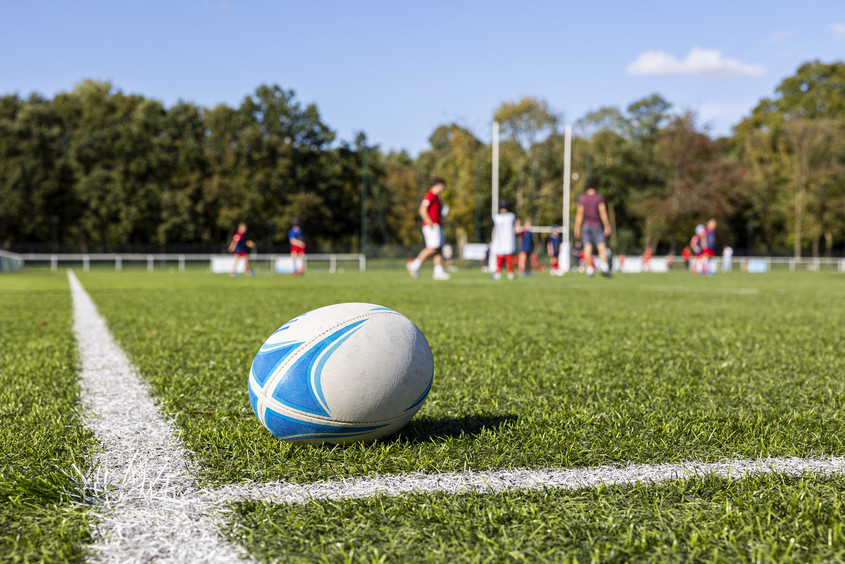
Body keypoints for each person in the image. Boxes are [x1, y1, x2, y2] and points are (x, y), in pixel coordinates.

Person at [407, 178, 450, 280]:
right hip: (431, 226)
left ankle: (438, 272)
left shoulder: (436, 197)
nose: (443, 188)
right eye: (443, 186)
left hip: (437, 225)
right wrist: (429, 221)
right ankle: (414, 265)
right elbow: (422, 210)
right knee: (432, 248)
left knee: (439, 249)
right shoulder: (430, 195)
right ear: (439, 185)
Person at [573, 178, 612, 278]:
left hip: (586, 226)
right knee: (601, 247)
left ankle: (590, 270)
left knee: (587, 248)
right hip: (597, 225)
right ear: (596, 186)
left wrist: (577, 227)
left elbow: (579, 214)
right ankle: (604, 268)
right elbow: (603, 212)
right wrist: (607, 225)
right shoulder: (599, 198)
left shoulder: (583, 198)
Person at [490, 200, 516, 280]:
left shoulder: (496, 217)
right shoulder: (511, 216)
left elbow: (493, 229)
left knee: (501, 256)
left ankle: (498, 273)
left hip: (499, 239)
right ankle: (510, 273)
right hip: (508, 239)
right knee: (508, 255)